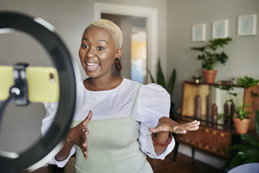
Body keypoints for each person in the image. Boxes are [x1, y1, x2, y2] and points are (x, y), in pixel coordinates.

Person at [41, 19, 200, 173]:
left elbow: (155, 152)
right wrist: (68, 137)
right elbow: (58, 158)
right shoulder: (67, 97)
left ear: (117, 53)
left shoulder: (139, 94)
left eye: (100, 48)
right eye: (85, 45)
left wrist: (163, 131)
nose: (89, 54)